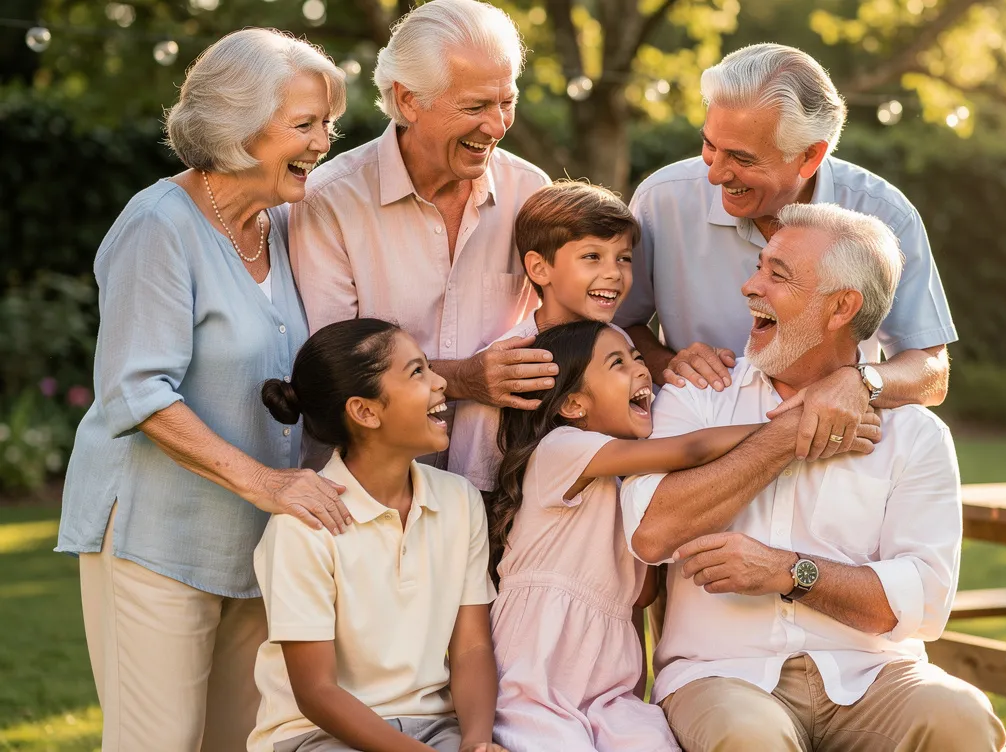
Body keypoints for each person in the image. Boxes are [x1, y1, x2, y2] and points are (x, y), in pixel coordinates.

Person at [54, 29, 350, 751]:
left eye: (328, 124)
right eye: (305, 124)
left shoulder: (278, 224)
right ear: (237, 127)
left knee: (238, 742)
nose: (325, 142)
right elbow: (138, 392)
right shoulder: (159, 225)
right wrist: (267, 484)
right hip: (159, 535)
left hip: (252, 543)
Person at [621, 204, 1006, 752]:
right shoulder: (696, 393)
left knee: (962, 718)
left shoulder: (914, 433)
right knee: (748, 738)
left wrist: (788, 571)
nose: (750, 287)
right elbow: (650, 532)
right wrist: (785, 438)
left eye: (777, 275)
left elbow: (923, 602)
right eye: (760, 266)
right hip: (721, 674)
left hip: (872, 675)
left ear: (841, 308)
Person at [484, 321, 885, 752]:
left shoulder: (631, 490)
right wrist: (795, 428)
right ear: (574, 404)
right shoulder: (560, 450)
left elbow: (640, 593)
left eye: (637, 357)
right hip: (537, 674)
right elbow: (690, 450)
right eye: (617, 363)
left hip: (606, 691)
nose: (640, 371)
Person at [616, 43, 957, 462]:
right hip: (693, 447)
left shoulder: (886, 214)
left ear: (810, 155)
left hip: (827, 453)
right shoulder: (661, 199)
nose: (715, 173)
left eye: (741, 157)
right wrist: (664, 360)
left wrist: (860, 382)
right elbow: (612, 326)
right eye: (709, 145)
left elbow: (931, 371)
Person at [290, 0, 554, 468]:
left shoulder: (530, 191)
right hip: (370, 493)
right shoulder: (329, 201)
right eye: (475, 106)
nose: (496, 126)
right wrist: (464, 379)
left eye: (506, 101)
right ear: (409, 99)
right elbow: (335, 372)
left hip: (495, 484)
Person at [251, 319, 504, 752]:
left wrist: (477, 743)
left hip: (437, 728)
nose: (441, 382)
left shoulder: (459, 500)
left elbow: (471, 649)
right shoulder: (302, 525)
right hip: (319, 736)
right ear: (365, 411)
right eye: (417, 372)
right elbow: (317, 693)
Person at [446, 181, 639, 491]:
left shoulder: (622, 344)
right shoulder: (506, 364)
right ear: (539, 268)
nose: (614, 273)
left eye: (624, 258)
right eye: (592, 256)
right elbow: (474, 485)